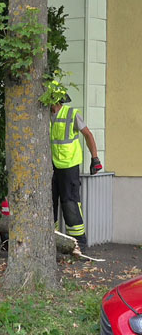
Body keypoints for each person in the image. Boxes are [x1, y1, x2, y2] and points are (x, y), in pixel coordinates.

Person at [49, 82, 102, 239]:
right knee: (49, 204)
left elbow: (88, 135)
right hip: (51, 167)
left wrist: (95, 158)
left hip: (69, 166)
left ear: (55, 98)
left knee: (70, 203)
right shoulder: (44, 116)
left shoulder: (72, 114)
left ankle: (79, 242)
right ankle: (53, 240)